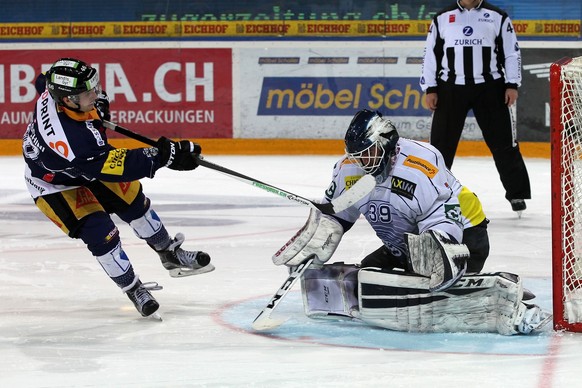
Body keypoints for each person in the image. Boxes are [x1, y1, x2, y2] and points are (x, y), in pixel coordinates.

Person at [272, 109, 549, 335]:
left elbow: (444, 212)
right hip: (404, 243)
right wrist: (323, 231)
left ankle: (496, 301)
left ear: (386, 144)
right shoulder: (348, 170)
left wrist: (438, 252)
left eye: (367, 153)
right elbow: (338, 213)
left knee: (425, 282)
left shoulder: (420, 164)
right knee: (370, 276)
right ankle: (445, 284)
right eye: (356, 155)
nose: (360, 161)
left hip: (463, 235)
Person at [22, 58, 214, 318]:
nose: (96, 94)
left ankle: (169, 253)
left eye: (94, 86)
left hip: (86, 165)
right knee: (101, 233)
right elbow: (116, 165)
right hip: (55, 184)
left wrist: (95, 106)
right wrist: (165, 157)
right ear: (67, 101)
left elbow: (41, 80)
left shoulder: (55, 90)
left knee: (134, 202)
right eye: (88, 93)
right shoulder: (73, 140)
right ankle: (132, 287)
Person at [420, 0, 531, 215]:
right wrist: (430, 88)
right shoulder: (442, 17)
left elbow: (511, 52)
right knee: (441, 145)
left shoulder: (497, 16)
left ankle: (517, 193)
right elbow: (430, 54)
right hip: (451, 89)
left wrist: (512, 84)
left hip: (490, 88)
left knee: (504, 142)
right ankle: (431, 193)